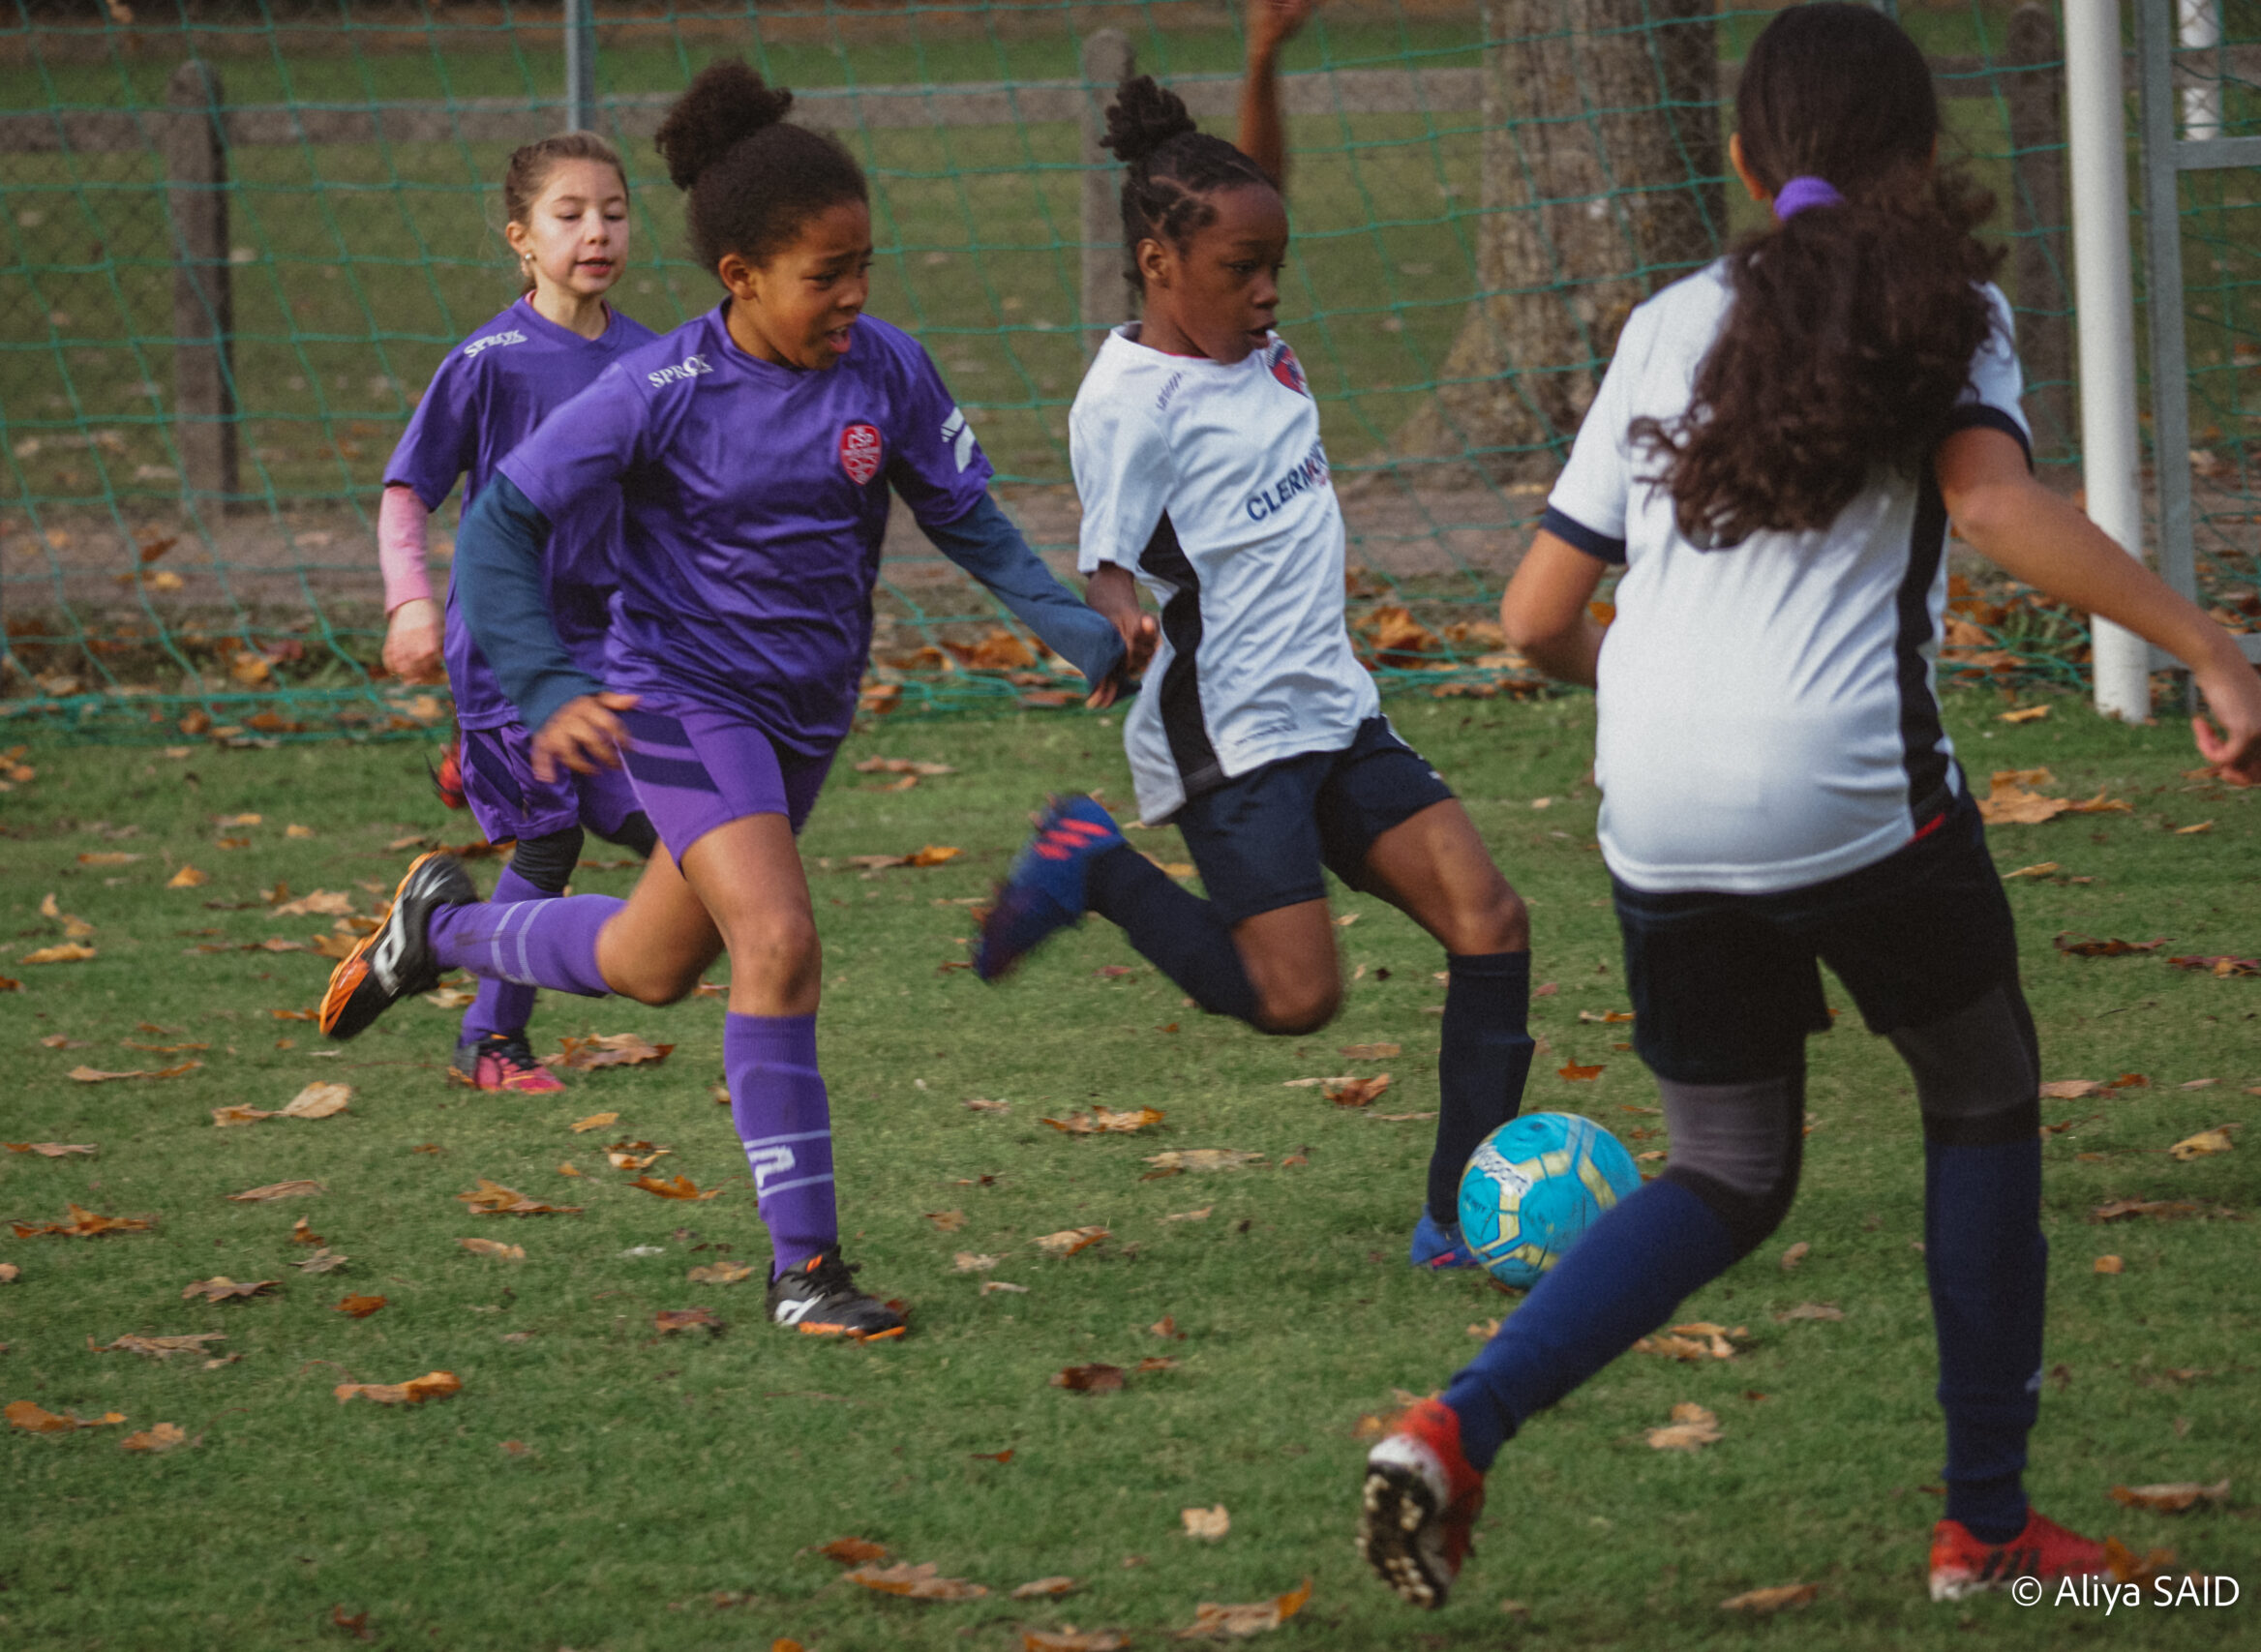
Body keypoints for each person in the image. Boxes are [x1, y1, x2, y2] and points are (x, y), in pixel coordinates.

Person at [1359, 3, 2261, 1610]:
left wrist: (1661, 686)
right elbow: (1991, 504)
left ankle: (1455, 1418)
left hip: (1651, 793)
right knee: (1979, 1089)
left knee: (1724, 1163)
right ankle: (1984, 1528)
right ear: (1915, 163)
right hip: (1846, 776)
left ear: (1739, 155)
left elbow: (1532, 617)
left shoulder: (1664, 318)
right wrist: (2208, 643)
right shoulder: (1951, 303)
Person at [320, 61, 1153, 1339]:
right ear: (740, 278)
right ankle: (805, 1268)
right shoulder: (657, 393)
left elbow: (969, 520)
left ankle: (443, 929)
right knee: (778, 942)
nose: (855, 293)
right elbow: (494, 527)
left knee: (653, 963)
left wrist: (1072, 631)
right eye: (827, 273)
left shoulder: (886, 371)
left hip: (806, 715)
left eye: (864, 262)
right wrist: (546, 682)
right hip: (679, 699)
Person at [971, 0, 1533, 1274]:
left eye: (1273, 259)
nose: (1268, 284)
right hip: (1227, 728)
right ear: (1160, 262)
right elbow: (1108, 568)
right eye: (1241, 267)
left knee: (1491, 916)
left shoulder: (1255, 341)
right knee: (1298, 996)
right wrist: (1111, 623)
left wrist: (1267, 55)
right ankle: (1093, 864)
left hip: (1332, 706)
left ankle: (1461, 1215)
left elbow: (1250, 198)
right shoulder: (1130, 405)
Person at [375, 130, 661, 1095]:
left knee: (678, 829)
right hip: (507, 646)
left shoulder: (655, 362)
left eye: (614, 214)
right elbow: (408, 491)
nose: (597, 232)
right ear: (520, 239)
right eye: (570, 215)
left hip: (615, 649)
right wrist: (411, 603)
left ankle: (475, 769)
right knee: (553, 837)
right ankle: (489, 1041)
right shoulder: (488, 360)